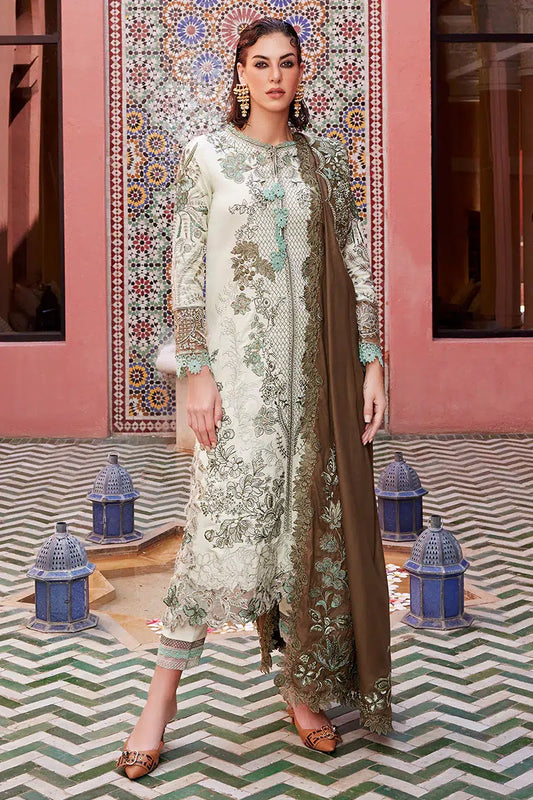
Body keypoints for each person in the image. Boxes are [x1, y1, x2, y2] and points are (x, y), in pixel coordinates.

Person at [116, 17, 392, 780]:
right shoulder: (206, 156)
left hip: (316, 390)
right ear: (239, 72)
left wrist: (371, 362)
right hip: (236, 390)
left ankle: (300, 691)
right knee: (213, 538)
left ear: (301, 74)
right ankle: (158, 705)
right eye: (261, 63)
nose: (274, 76)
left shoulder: (321, 161)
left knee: (301, 538)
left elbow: (355, 263)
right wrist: (196, 373)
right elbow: (184, 275)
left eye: (287, 63)